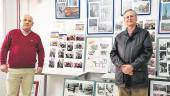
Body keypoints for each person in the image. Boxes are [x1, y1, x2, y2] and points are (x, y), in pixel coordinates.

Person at [110, 9, 153, 96]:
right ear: (124, 20)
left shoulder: (144, 34)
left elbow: (147, 52)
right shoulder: (119, 37)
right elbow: (113, 54)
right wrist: (122, 67)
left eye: (131, 16)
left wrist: (132, 66)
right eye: (127, 17)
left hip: (138, 79)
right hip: (122, 78)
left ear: (136, 18)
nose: (129, 18)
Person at [0, 14, 45, 96]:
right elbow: (4, 48)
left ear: (32, 24)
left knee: (26, 94)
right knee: (10, 94)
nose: (27, 22)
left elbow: (41, 52)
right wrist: (2, 63)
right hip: (13, 70)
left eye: (29, 21)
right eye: (25, 20)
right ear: (21, 22)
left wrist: (40, 65)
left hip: (29, 71)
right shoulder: (12, 33)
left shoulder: (36, 37)